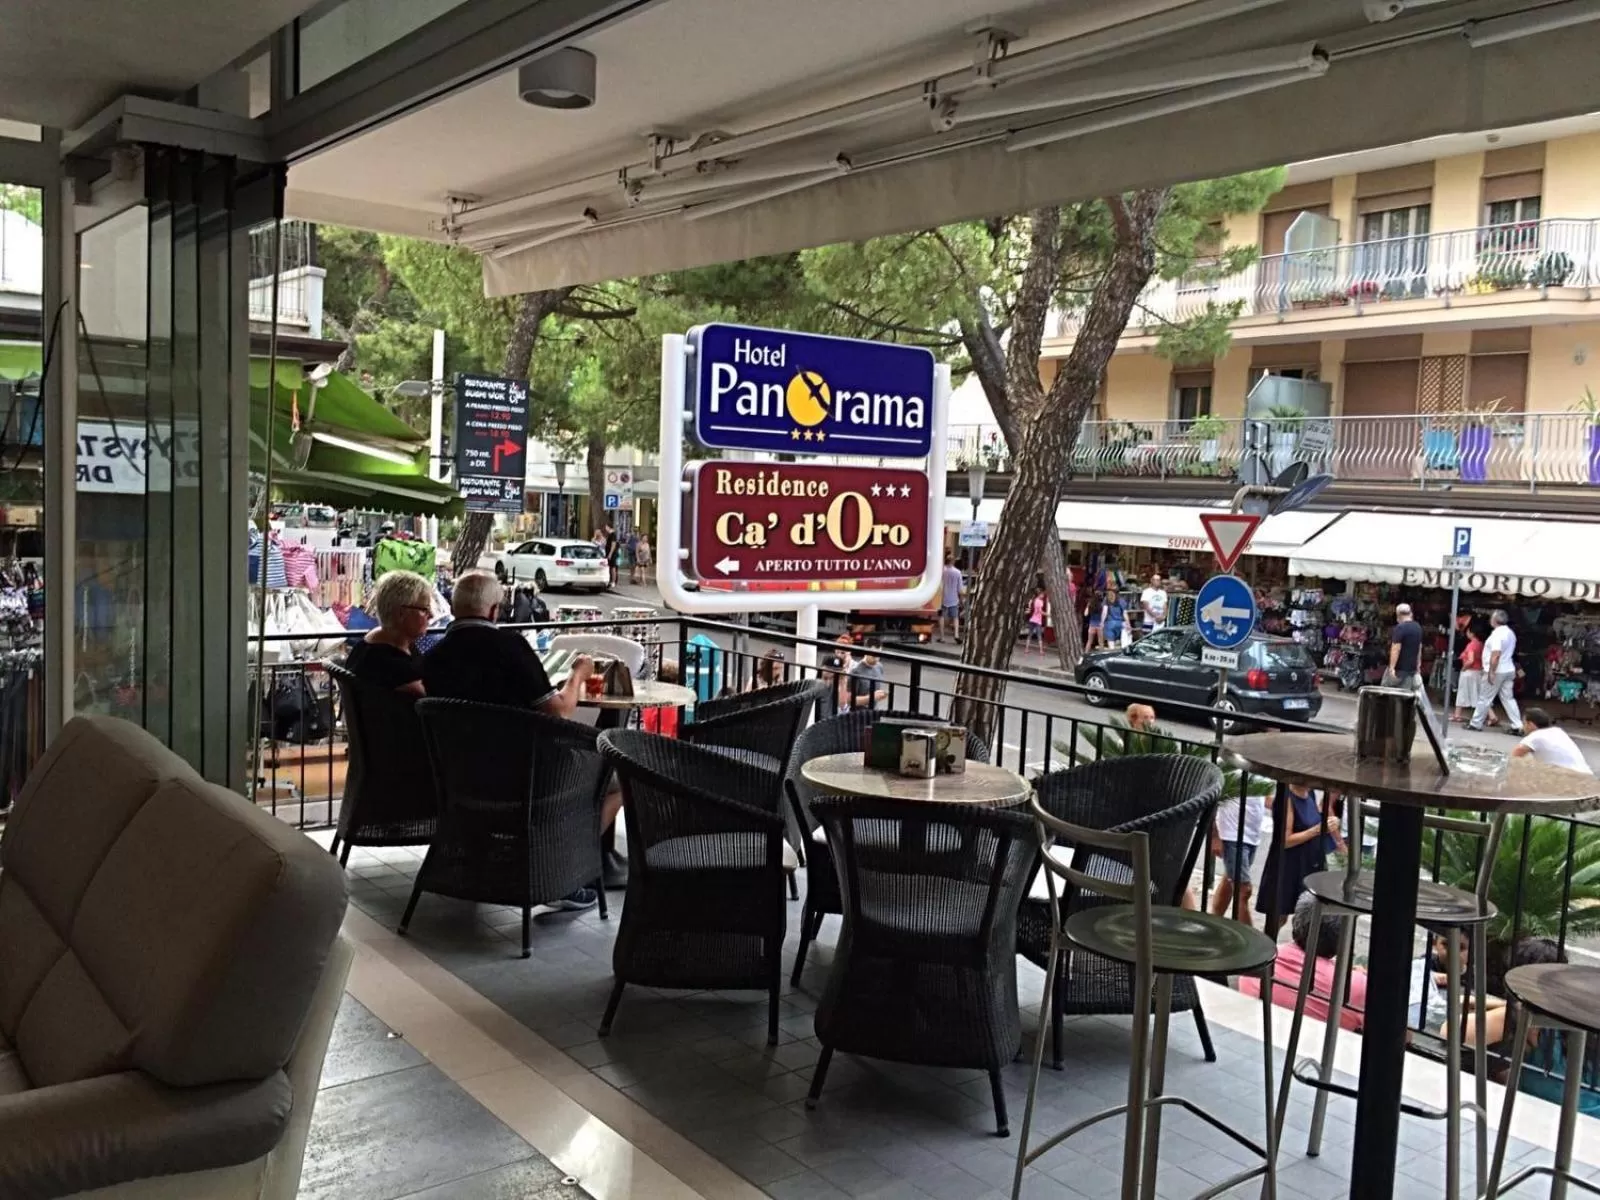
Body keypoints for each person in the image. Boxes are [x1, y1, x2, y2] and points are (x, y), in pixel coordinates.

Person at [423, 570, 616, 905]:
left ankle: (505, 861)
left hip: (460, 781)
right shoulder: (510, 647)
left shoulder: (434, 657)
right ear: (495, 611)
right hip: (526, 781)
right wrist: (578, 676)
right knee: (615, 781)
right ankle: (558, 873)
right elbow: (559, 712)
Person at [1238, 892, 1367, 1032]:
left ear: (1295, 921)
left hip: (1256, 1039)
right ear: (1345, 938)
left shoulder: (1257, 962)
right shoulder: (1355, 986)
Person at [1256, 781, 1341, 938]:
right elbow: (1285, 840)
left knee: (1308, 913)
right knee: (1279, 915)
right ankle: (1268, 948)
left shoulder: (1310, 794)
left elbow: (1314, 819)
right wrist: (1318, 830)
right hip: (1289, 865)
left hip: (1309, 862)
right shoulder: (1287, 797)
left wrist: (1331, 824)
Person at [344, 569, 431, 697]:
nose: (431, 615)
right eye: (425, 609)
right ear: (401, 613)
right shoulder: (394, 667)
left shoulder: (369, 643)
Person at [1211, 774, 1266, 927]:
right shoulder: (1231, 762)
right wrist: (1214, 836)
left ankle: (1213, 921)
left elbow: (1265, 798)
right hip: (1233, 835)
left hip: (1251, 836)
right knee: (1243, 890)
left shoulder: (1257, 762)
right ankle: (1250, 940)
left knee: (1230, 881)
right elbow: (1213, 798)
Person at [1469, 609, 1523, 734]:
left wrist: (1491, 671)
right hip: (1508, 668)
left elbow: (1496, 654)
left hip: (1497, 669)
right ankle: (1517, 725)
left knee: (1485, 697)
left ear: (1494, 620)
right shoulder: (1510, 633)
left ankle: (1476, 723)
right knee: (1508, 698)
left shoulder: (1497, 635)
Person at [1513, 707, 1594, 774]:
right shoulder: (1558, 731)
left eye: (1524, 724)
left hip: (1570, 779)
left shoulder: (1535, 737)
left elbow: (1515, 755)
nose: (1522, 727)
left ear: (1530, 724)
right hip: (1587, 775)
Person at [1386, 602, 1425, 696]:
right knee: (1407, 696)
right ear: (1410, 613)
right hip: (1411, 670)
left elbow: (1396, 649)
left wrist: (1392, 668)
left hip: (1400, 669)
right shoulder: (1418, 627)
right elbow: (1419, 648)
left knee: (1393, 696)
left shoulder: (1400, 628)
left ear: (1398, 615)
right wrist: (1418, 666)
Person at [1453, 625, 1485, 724]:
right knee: (1479, 695)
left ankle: (1457, 715)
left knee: (1462, 692)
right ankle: (1491, 716)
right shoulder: (1481, 644)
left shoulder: (1471, 645)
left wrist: (1463, 668)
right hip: (1478, 671)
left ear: (1471, 633)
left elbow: (1470, 660)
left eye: (1467, 632)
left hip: (1469, 672)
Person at [847, 641, 888, 710]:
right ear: (866, 652)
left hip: (873, 710)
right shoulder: (856, 672)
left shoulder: (879, 666)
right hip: (859, 713)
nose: (876, 659)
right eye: (874, 655)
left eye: (879, 655)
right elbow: (850, 700)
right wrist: (872, 697)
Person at [821, 633, 854, 718]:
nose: (839, 654)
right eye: (837, 651)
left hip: (844, 707)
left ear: (849, 651)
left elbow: (847, 700)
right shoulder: (830, 661)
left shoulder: (854, 668)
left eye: (843, 652)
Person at [939, 554, 964, 643]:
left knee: (941, 617)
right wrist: (961, 600)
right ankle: (956, 635)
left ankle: (942, 637)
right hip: (954, 599)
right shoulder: (958, 572)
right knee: (955, 617)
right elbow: (960, 588)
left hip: (942, 598)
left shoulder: (941, 571)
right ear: (953, 562)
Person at [1099, 586, 1127, 650]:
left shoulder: (1106, 599)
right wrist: (1128, 623)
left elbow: (1104, 612)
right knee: (1122, 643)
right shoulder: (1121, 600)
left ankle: (1113, 654)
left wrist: (1102, 622)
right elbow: (1125, 613)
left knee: (1111, 644)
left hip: (1109, 623)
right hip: (1120, 624)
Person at [1025, 586, 1047, 654]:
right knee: (1039, 635)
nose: (1043, 596)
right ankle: (1041, 650)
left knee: (1029, 635)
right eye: (1042, 594)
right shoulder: (1040, 602)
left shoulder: (1033, 600)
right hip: (1038, 621)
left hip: (1032, 619)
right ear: (1039, 594)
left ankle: (1026, 649)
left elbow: (1030, 607)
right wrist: (1048, 614)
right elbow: (1040, 611)